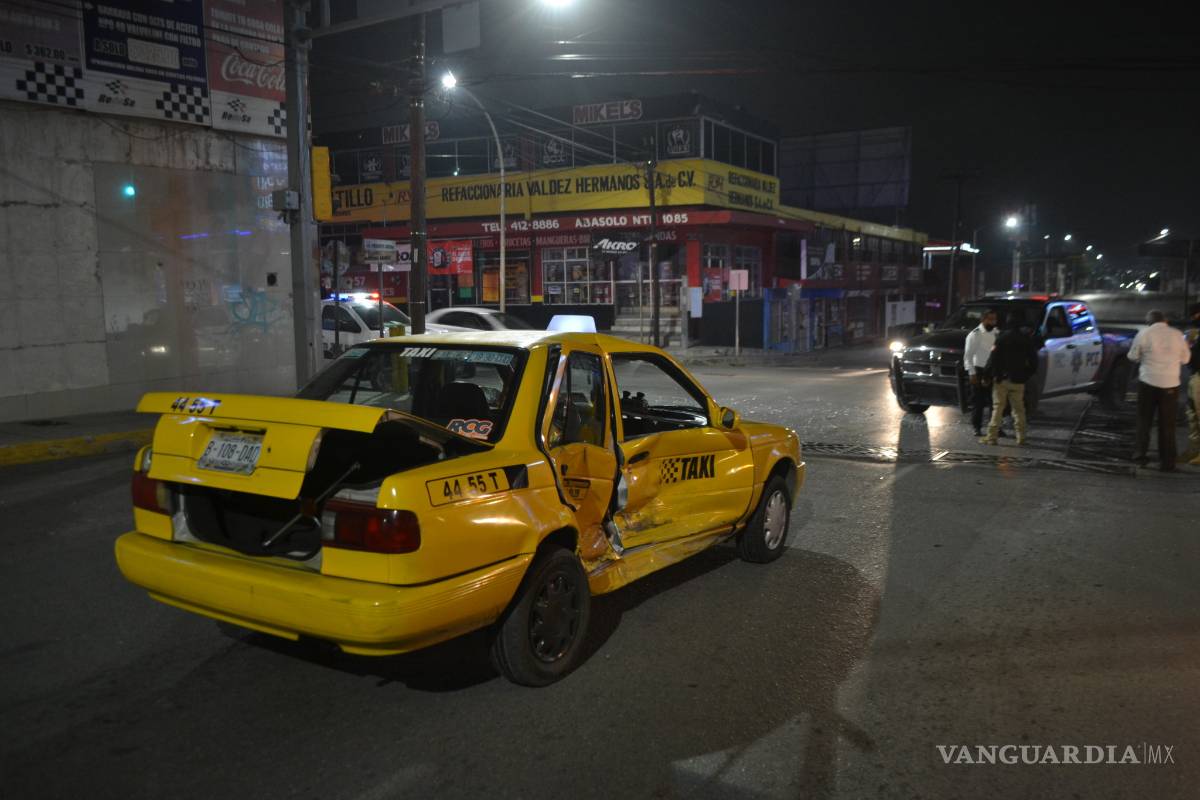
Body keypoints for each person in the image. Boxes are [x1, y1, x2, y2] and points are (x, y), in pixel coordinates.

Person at [1128, 309, 1192, 472]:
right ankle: (1168, 462)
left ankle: (1140, 455)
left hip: (1148, 381)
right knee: (1167, 424)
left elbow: (1133, 356)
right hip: (1170, 384)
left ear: (1149, 321)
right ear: (1165, 321)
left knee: (1144, 420)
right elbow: (1186, 359)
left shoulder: (1144, 334)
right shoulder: (1177, 334)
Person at [981, 320, 1040, 446]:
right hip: (1018, 380)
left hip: (1001, 379)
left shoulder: (1001, 338)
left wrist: (986, 375)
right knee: (1019, 409)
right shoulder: (1026, 340)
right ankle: (1021, 437)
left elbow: (993, 358)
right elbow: (1034, 362)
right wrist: (1025, 375)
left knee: (998, 408)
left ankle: (992, 437)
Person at [964, 309, 999, 436]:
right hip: (978, 370)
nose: (993, 322)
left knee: (994, 402)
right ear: (983, 320)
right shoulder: (975, 334)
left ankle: (994, 427)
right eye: (990, 319)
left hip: (992, 371)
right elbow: (968, 356)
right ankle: (976, 427)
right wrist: (971, 373)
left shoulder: (996, 333)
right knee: (978, 402)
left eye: (994, 319)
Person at [1180, 303, 1200, 465]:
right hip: (1194, 375)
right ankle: (1194, 450)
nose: (1194, 318)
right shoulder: (1194, 333)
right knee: (1192, 414)